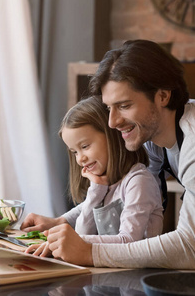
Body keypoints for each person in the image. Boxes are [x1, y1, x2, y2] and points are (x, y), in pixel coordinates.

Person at [24, 39, 195, 274]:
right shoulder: (154, 135)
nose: (112, 122)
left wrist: (89, 252)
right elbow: (119, 194)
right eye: (109, 108)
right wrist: (62, 222)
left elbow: (190, 248)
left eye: (124, 105)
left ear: (163, 96)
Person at [22, 96, 163, 258]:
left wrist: (71, 241)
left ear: (112, 136)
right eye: (75, 152)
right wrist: (96, 190)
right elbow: (83, 226)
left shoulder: (138, 181)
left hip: (135, 276)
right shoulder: (106, 184)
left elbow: (129, 241)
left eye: (85, 146)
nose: (80, 158)